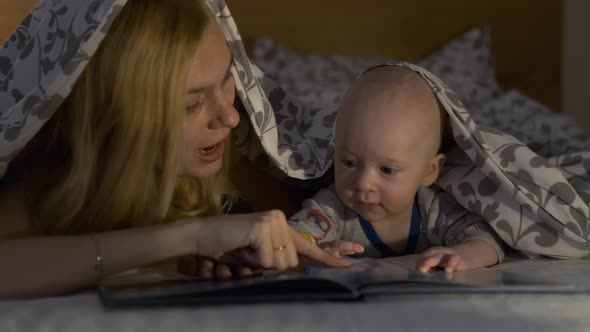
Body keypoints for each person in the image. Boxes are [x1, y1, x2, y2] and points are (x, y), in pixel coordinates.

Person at [0, 0, 348, 298]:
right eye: (190, 104)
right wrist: (187, 238)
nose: (229, 116)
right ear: (115, 116)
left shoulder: (246, 171)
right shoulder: (44, 186)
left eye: (228, 78)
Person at [289, 65, 504, 272]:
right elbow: (293, 237)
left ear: (429, 171)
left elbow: (487, 238)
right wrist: (313, 251)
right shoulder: (332, 208)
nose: (363, 182)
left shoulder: (432, 209)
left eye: (386, 170)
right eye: (349, 162)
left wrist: (464, 255)